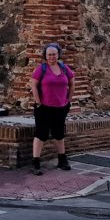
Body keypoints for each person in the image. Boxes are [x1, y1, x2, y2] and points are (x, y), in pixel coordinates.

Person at [28, 42, 75, 175]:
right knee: (41, 134)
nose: (52, 57)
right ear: (45, 56)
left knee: (59, 134)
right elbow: (34, 86)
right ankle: (35, 162)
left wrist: (69, 101)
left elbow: (72, 84)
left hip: (61, 107)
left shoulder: (65, 68)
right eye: (49, 54)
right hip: (44, 107)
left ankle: (62, 159)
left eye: (54, 54)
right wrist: (38, 103)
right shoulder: (41, 69)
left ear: (58, 54)